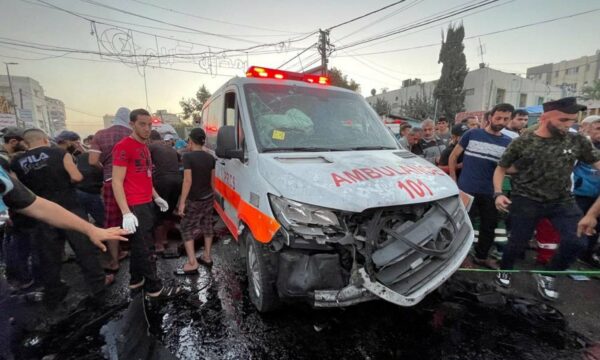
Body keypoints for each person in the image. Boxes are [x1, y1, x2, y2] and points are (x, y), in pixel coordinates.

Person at [494, 97, 600, 300]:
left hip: (562, 200)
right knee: (517, 242)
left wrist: (593, 214)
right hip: (526, 199)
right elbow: (501, 168)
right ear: (545, 118)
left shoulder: (576, 140)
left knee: (578, 242)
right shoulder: (524, 141)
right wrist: (498, 193)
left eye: (572, 120)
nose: (569, 125)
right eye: (564, 120)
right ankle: (505, 268)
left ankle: (548, 274)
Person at [10, 129, 111, 305]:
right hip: (69, 206)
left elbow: (17, 190)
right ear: (44, 139)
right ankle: (98, 283)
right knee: (83, 247)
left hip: (40, 211)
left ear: (26, 143)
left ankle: (53, 290)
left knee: (48, 254)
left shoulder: (16, 162)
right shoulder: (59, 152)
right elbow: (76, 176)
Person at [112, 108, 181, 299]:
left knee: (138, 245)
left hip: (146, 202)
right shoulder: (124, 146)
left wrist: (157, 197)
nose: (147, 128)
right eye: (142, 124)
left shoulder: (145, 147)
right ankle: (154, 289)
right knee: (147, 248)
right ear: (131, 124)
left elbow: (146, 177)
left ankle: (136, 281)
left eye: (149, 124)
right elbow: (116, 181)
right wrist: (126, 212)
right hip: (134, 205)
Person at [449, 103, 514, 269]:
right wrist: (453, 180)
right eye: (498, 117)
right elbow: (453, 156)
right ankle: (460, 258)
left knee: (489, 226)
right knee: (463, 225)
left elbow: (509, 168)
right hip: (466, 190)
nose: (501, 121)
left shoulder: (508, 142)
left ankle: (481, 257)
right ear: (490, 117)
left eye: (505, 119)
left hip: (490, 192)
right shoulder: (472, 134)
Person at [89, 107, 132, 273]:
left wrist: (105, 168)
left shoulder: (100, 134)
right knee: (135, 218)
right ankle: (140, 257)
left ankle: (114, 261)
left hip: (110, 182)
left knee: (112, 222)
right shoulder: (133, 135)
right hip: (133, 183)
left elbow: (93, 160)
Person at [175, 128, 215, 275]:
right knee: (207, 225)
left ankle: (193, 263)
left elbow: (187, 181)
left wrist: (182, 203)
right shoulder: (210, 158)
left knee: (186, 228)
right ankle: (207, 256)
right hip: (208, 197)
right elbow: (213, 182)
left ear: (191, 141)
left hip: (195, 199)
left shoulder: (188, 157)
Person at [148, 130, 182, 253]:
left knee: (158, 212)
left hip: (163, 181)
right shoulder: (170, 148)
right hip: (178, 180)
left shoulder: (150, 146)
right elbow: (180, 160)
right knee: (168, 211)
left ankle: (158, 244)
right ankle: (164, 239)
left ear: (150, 139)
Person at [572, 116, 600, 267]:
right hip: (580, 193)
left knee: (595, 227)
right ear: (587, 128)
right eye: (598, 129)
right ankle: (570, 256)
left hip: (597, 197)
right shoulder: (581, 145)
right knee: (577, 225)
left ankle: (586, 256)